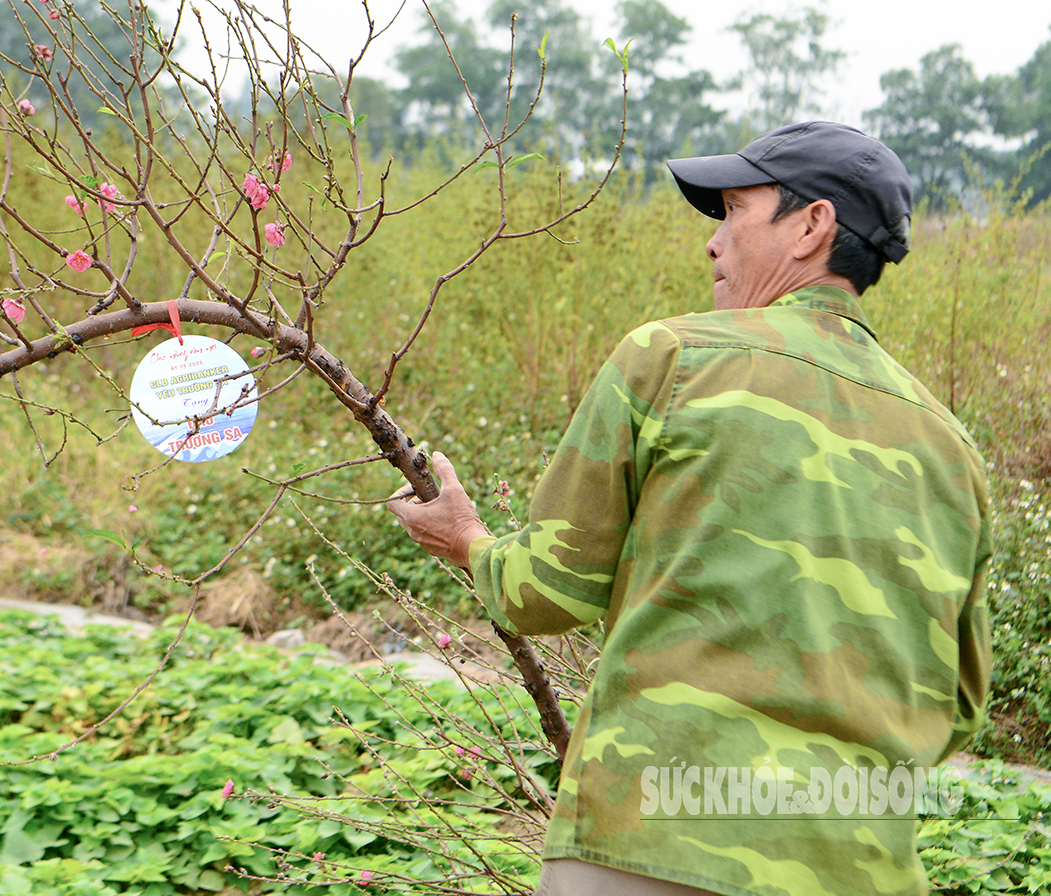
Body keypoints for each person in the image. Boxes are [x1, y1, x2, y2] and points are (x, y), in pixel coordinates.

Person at [389, 121, 991, 896]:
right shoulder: (953, 451)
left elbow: (543, 592)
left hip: (655, 842)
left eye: (735, 210)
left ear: (813, 226)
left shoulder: (670, 357)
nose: (713, 241)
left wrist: (469, 542)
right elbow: (964, 708)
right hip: (859, 865)